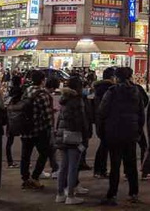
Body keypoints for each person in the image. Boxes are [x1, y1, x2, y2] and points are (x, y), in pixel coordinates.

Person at [97, 66, 145, 205]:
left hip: (114, 132)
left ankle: (112, 195)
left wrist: (102, 131)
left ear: (117, 78)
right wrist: (138, 130)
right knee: (131, 164)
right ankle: (133, 193)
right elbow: (141, 113)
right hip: (131, 132)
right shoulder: (136, 91)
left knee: (115, 165)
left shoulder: (112, 92)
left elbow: (102, 112)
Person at [54, 75, 90, 205]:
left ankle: (59, 194)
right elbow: (81, 121)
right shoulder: (77, 100)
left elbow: (60, 120)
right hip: (73, 136)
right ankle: (70, 195)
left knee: (63, 166)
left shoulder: (64, 99)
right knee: (72, 167)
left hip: (62, 135)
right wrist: (85, 137)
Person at [20, 70, 54, 190]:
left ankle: (25, 178)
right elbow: (48, 115)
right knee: (44, 153)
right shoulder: (43, 94)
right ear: (42, 80)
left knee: (25, 155)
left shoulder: (27, 91)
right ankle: (35, 177)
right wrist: (51, 128)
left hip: (25, 128)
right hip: (39, 130)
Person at [91, 68, 116, 179]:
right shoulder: (110, 89)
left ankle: (100, 170)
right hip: (107, 120)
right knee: (106, 146)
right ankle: (100, 170)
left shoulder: (98, 88)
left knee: (104, 145)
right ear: (112, 77)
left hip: (99, 120)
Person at [5, 75, 23, 168]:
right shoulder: (21, 91)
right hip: (20, 117)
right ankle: (25, 160)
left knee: (9, 141)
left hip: (11, 118)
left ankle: (10, 161)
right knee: (24, 140)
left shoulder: (11, 92)